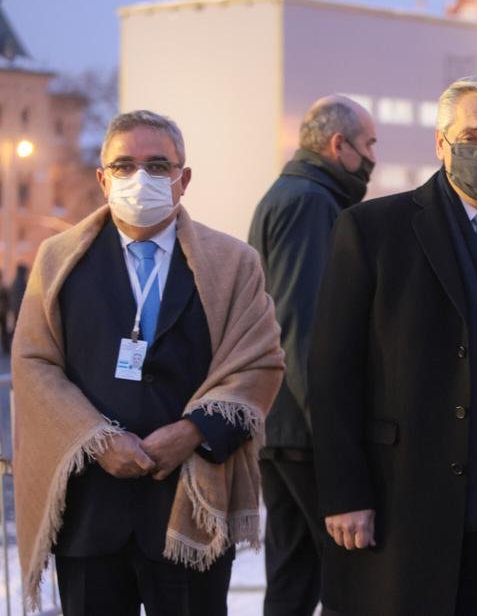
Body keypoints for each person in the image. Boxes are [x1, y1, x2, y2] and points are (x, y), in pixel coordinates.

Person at [308, 75, 477, 615]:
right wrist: (345, 493)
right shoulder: (372, 230)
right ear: (441, 143)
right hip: (407, 499)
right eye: (471, 136)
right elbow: (332, 370)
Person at [12, 110, 284, 615]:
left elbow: (260, 363)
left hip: (190, 510)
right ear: (102, 179)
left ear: (184, 179)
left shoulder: (233, 263)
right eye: (124, 166)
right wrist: (97, 440)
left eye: (158, 166)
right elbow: (34, 364)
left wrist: (192, 432)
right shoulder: (58, 261)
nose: (140, 178)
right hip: (91, 512)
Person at [248, 94, 377, 615]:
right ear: (338, 144)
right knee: (348, 573)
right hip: (305, 428)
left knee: (294, 573)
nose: (373, 158)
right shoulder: (311, 202)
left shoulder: (293, 193)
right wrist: (331, 434)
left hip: (282, 422)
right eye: (368, 145)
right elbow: (306, 326)